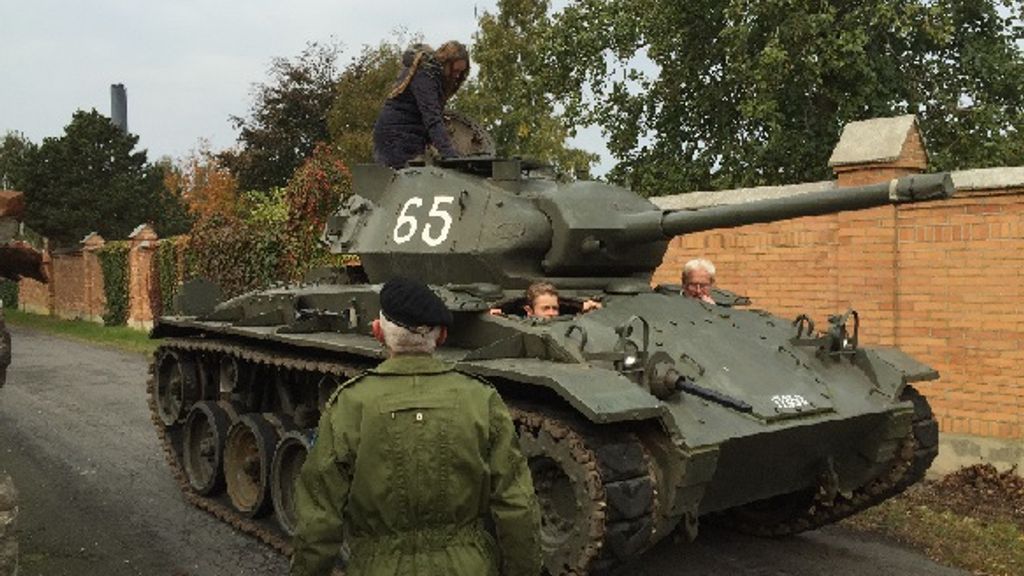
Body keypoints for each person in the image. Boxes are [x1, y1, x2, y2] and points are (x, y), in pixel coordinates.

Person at [289, 277, 541, 576]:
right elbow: (516, 504)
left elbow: (319, 515)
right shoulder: (481, 398)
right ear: (443, 335)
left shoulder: (350, 402)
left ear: (377, 332)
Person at [372, 41, 470, 169]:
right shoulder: (425, 75)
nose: (457, 76)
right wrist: (450, 155)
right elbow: (432, 118)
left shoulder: (434, 76)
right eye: (455, 70)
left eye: (460, 72)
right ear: (446, 62)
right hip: (396, 137)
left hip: (410, 136)